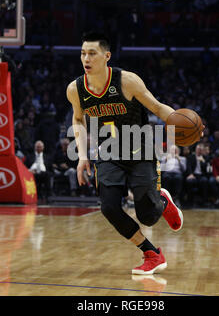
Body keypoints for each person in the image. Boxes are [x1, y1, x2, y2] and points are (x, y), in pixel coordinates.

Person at [66, 31, 203, 275]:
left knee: (147, 217)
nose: (86, 58)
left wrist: (180, 124)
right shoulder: (75, 89)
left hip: (140, 151)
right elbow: (78, 118)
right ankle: (152, 254)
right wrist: (82, 155)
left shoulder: (126, 81)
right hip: (108, 153)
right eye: (83, 53)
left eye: (92, 53)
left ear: (106, 56)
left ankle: (161, 201)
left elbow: (157, 107)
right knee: (109, 208)